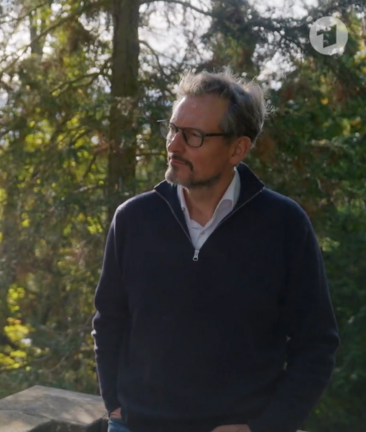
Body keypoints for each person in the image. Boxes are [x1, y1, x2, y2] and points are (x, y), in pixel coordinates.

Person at [92, 70, 340, 432]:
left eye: (193, 135)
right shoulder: (133, 218)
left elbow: (316, 343)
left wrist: (266, 427)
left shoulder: (284, 225)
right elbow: (109, 320)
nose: (174, 146)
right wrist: (114, 404)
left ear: (237, 149)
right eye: (173, 129)